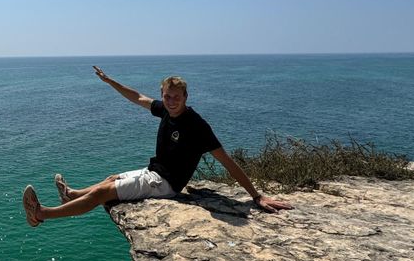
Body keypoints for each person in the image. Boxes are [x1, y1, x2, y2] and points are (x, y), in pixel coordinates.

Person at [22, 66, 292, 226]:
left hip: (166, 184)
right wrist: (109, 81)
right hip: (156, 173)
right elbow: (137, 97)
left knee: (103, 192)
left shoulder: (196, 126)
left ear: (186, 97)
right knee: (110, 178)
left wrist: (256, 197)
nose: (171, 101)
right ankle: (71, 194)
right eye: (167, 96)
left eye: (176, 97)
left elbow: (228, 162)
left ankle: (42, 215)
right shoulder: (165, 110)